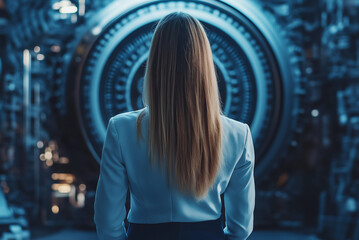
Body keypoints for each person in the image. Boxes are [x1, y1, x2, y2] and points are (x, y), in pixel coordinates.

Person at [94, 12, 255, 240]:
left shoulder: (121, 129)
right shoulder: (239, 135)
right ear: (205, 64)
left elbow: (107, 224)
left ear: (155, 62)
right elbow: (242, 228)